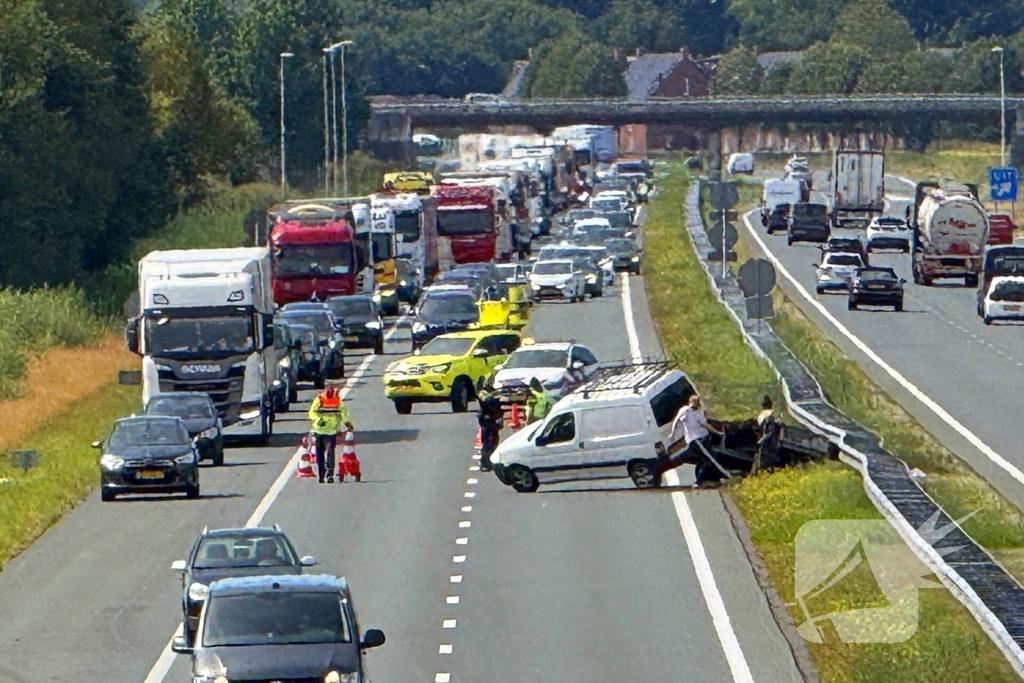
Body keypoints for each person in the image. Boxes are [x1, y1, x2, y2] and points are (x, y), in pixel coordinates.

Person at [664, 395, 723, 484]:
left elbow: (677, 421)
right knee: (710, 458)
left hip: (698, 439)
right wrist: (717, 432)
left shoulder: (691, 411)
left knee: (701, 458)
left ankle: (709, 477)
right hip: (698, 440)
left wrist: (673, 434)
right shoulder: (691, 412)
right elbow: (705, 425)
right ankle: (703, 479)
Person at [307, 384, 354, 484]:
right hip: (319, 430)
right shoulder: (319, 400)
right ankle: (321, 473)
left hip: (331, 431)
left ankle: (329, 474)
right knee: (320, 453)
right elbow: (312, 413)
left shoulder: (337, 401)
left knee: (330, 453)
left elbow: (343, 413)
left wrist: (347, 424)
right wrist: (318, 419)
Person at [476, 380, 504, 472]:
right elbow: (487, 403)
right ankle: (484, 462)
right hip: (487, 421)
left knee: (494, 440)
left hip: (493, 420)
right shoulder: (484, 394)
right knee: (488, 442)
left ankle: (489, 460)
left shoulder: (493, 393)